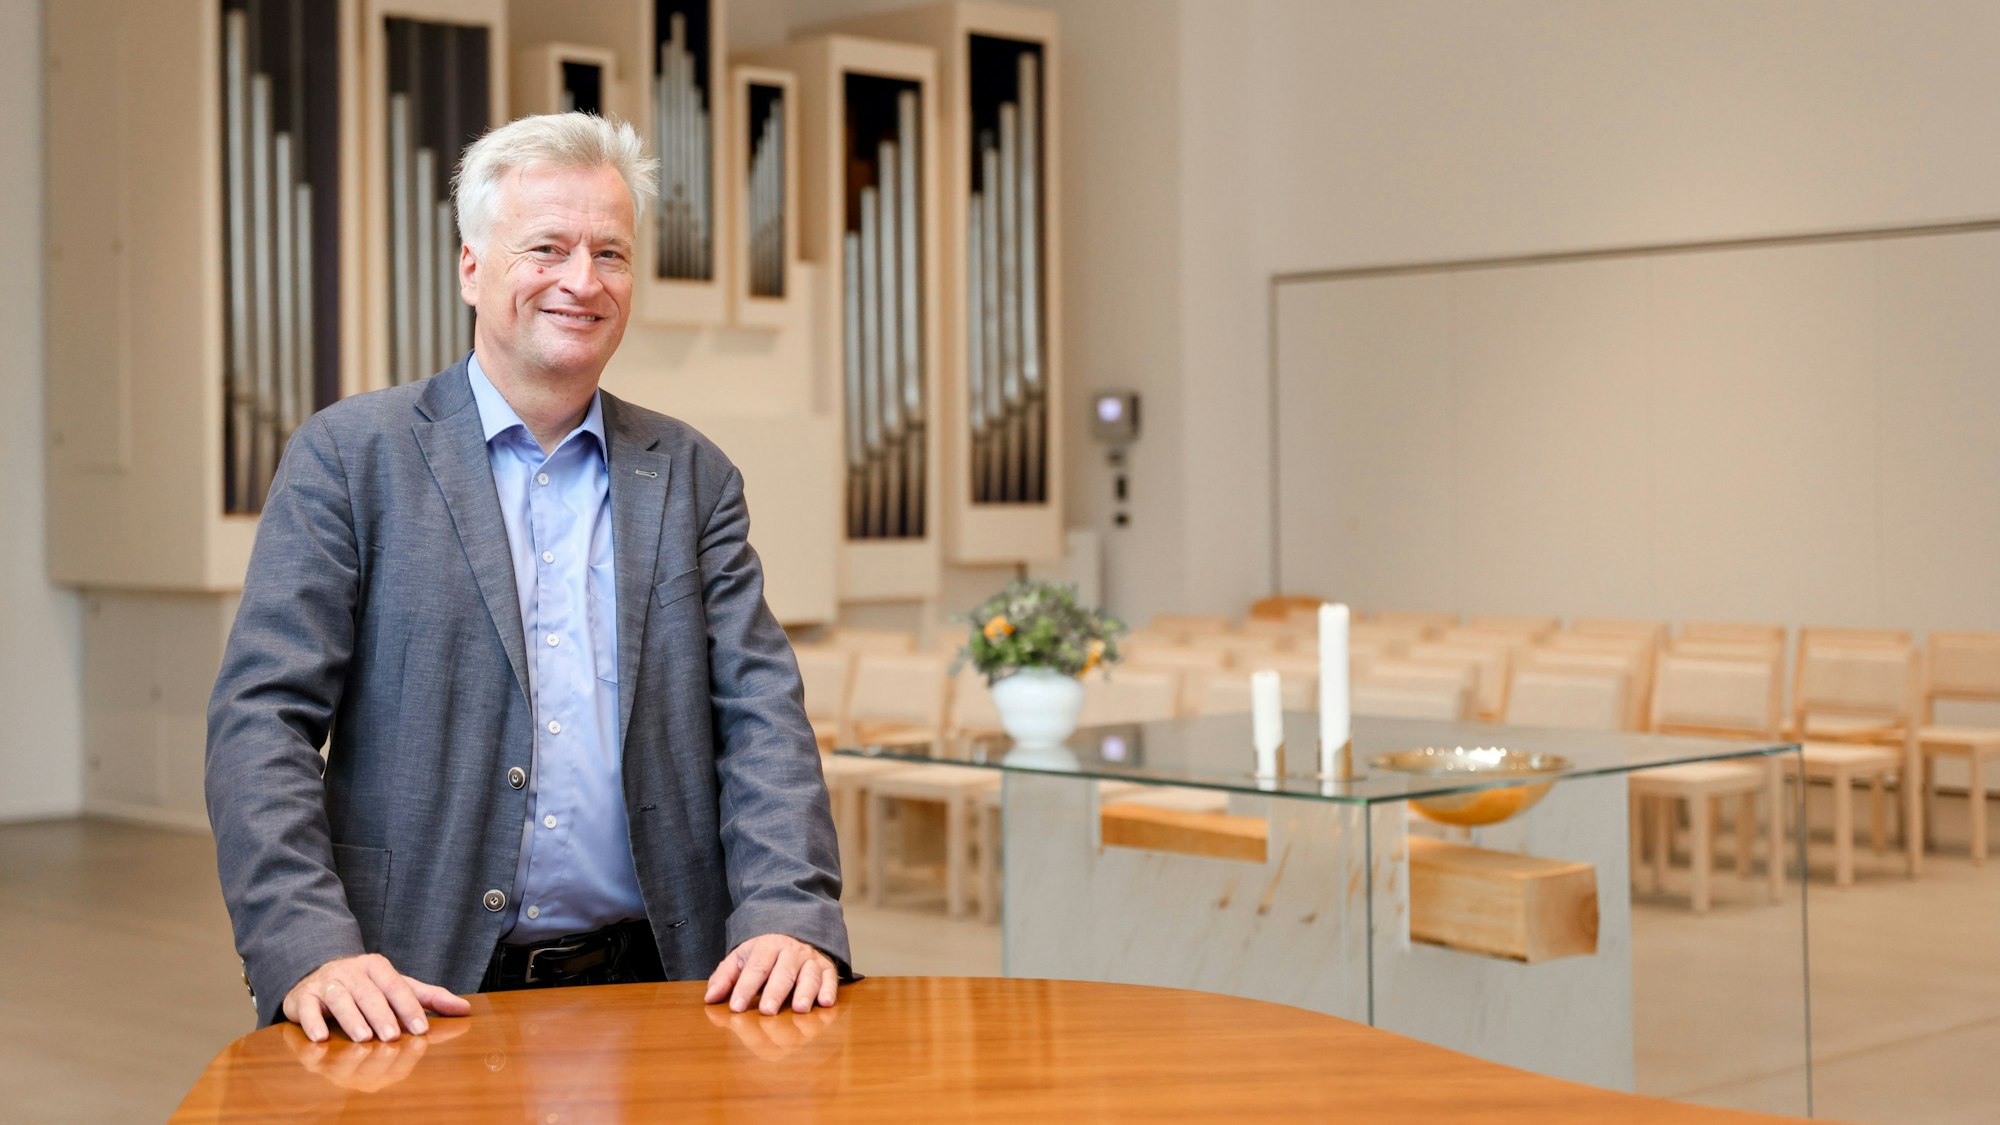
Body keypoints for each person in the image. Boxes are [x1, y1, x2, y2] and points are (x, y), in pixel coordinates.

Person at [206, 113, 849, 1044]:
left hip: (671, 984)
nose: (582, 282)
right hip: (413, 988)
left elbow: (762, 718)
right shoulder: (351, 458)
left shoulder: (692, 473)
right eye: (546, 247)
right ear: (472, 265)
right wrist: (305, 943)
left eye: (611, 254)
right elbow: (260, 722)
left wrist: (791, 908)